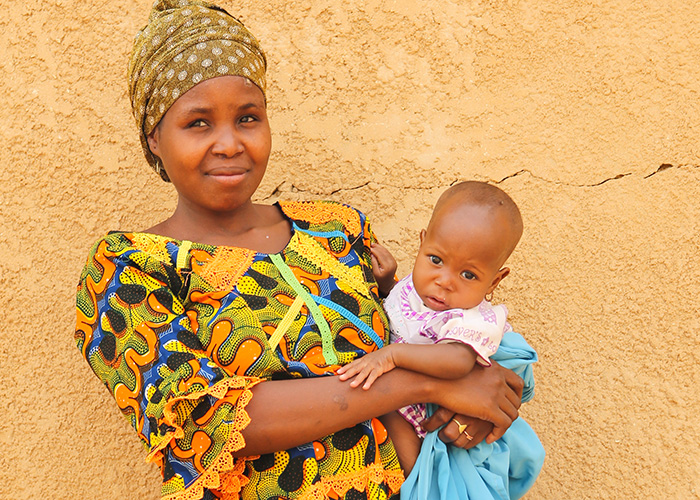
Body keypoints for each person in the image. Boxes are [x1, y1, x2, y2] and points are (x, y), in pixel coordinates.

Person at [74, 2, 525, 499]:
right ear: (154, 137)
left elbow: (437, 327)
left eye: (247, 118)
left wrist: (477, 405)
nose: (229, 144)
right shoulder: (127, 269)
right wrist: (427, 386)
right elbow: (206, 420)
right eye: (198, 123)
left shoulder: (337, 229)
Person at [338, 182, 545, 499]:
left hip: (441, 414)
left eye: (468, 275)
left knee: (403, 436)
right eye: (435, 259)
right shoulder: (418, 289)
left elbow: (457, 362)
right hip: (412, 399)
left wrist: (392, 356)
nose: (444, 282)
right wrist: (386, 283)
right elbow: (403, 315)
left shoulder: (474, 318)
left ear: (495, 280)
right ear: (422, 244)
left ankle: (423, 487)